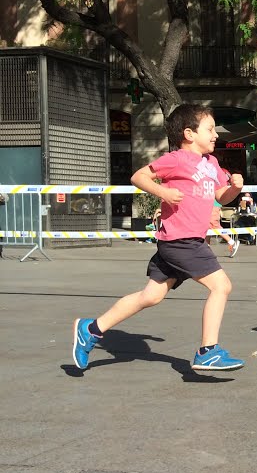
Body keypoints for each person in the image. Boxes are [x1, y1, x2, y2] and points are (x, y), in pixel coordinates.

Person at [72, 103, 246, 372]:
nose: (215, 135)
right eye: (209, 129)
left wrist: (234, 188)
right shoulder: (176, 159)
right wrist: (162, 193)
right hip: (180, 240)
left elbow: (220, 197)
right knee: (221, 286)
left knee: (151, 296)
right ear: (189, 134)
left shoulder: (212, 163)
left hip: (185, 241)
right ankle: (208, 351)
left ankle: (91, 328)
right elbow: (138, 176)